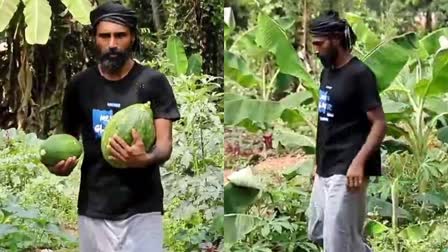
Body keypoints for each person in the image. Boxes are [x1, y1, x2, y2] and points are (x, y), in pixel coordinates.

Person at [45, 1, 180, 251]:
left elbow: (164, 145)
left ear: (133, 37)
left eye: (120, 35)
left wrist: (145, 158)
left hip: (142, 208)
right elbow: (68, 138)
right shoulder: (80, 85)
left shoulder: (153, 82)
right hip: (94, 206)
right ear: (95, 38)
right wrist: (60, 167)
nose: (112, 44)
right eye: (104, 36)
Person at [306, 10, 387, 252]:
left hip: (348, 170)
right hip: (326, 167)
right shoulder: (327, 72)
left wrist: (359, 163)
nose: (316, 49)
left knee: (338, 244)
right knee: (318, 231)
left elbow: (380, 124)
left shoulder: (360, 75)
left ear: (335, 39)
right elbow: (327, 122)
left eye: (319, 43)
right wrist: (318, 163)